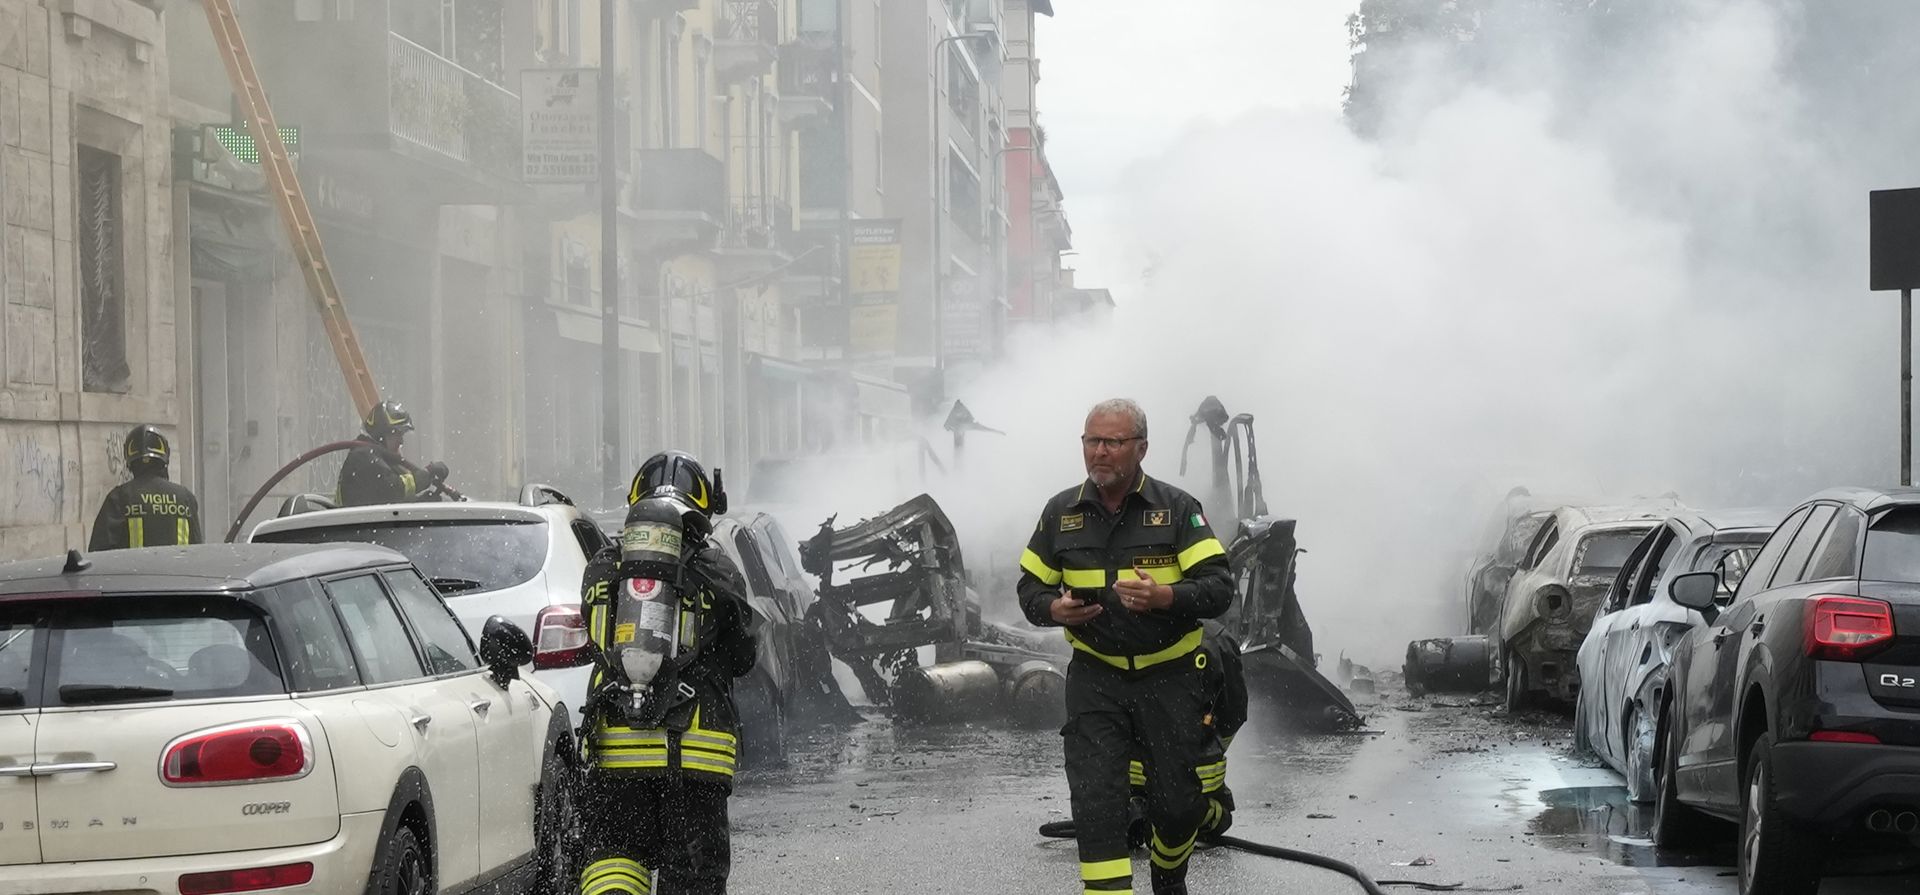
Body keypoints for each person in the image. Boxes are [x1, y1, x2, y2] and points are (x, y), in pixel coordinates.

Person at [1017, 398, 1235, 895]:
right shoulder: (1062, 513)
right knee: (1097, 806)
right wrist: (1053, 609)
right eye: (1092, 441)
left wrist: (1165, 596)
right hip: (1097, 681)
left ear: (1140, 448)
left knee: (1178, 806)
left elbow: (1220, 588)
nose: (1100, 452)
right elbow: (1029, 590)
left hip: (1171, 676)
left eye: (1113, 442)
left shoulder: (1177, 509)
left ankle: (1168, 874)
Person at [577, 450, 758, 895]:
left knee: (614, 865)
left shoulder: (603, 566)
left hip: (617, 751)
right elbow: (743, 656)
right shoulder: (716, 569)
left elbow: (594, 634)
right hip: (697, 754)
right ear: (700, 508)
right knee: (692, 877)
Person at [89, 425, 204, 551]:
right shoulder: (185, 498)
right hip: (179, 571)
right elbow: (197, 550)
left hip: (134, 571)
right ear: (165, 458)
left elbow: (98, 553)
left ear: (130, 461)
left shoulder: (119, 498)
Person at [336, 400, 447, 506]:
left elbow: (383, 501)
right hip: (361, 525)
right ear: (381, 435)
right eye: (397, 434)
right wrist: (427, 473)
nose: (401, 441)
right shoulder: (363, 457)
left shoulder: (375, 456)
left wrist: (418, 502)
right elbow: (394, 488)